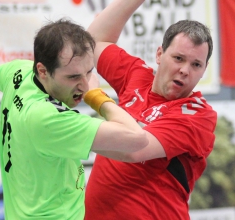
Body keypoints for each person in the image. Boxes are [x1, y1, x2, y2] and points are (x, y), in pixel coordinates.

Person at [0, 19, 148, 220]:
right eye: (73, 77)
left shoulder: (20, 72)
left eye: (89, 72)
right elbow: (137, 139)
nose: (84, 85)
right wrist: (97, 96)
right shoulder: (48, 119)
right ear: (43, 71)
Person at [84, 1, 217, 219]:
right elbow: (93, 42)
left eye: (196, 65)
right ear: (159, 55)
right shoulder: (137, 76)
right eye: (178, 58)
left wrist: (95, 97)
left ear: (204, 70)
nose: (185, 70)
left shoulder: (197, 115)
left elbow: (132, 149)